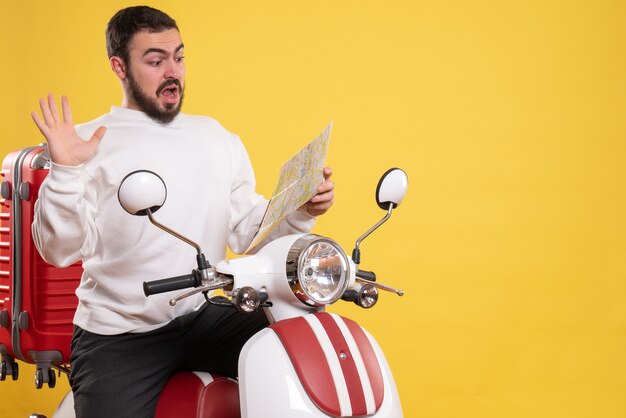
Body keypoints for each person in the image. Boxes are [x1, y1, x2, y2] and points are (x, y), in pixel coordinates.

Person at [30, 6, 334, 418]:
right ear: (119, 67)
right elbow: (58, 250)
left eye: (179, 56)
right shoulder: (85, 142)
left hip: (202, 315)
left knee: (304, 347)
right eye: (155, 61)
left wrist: (300, 209)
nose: (172, 71)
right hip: (120, 334)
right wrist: (64, 170)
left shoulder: (215, 137)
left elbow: (248, 232)